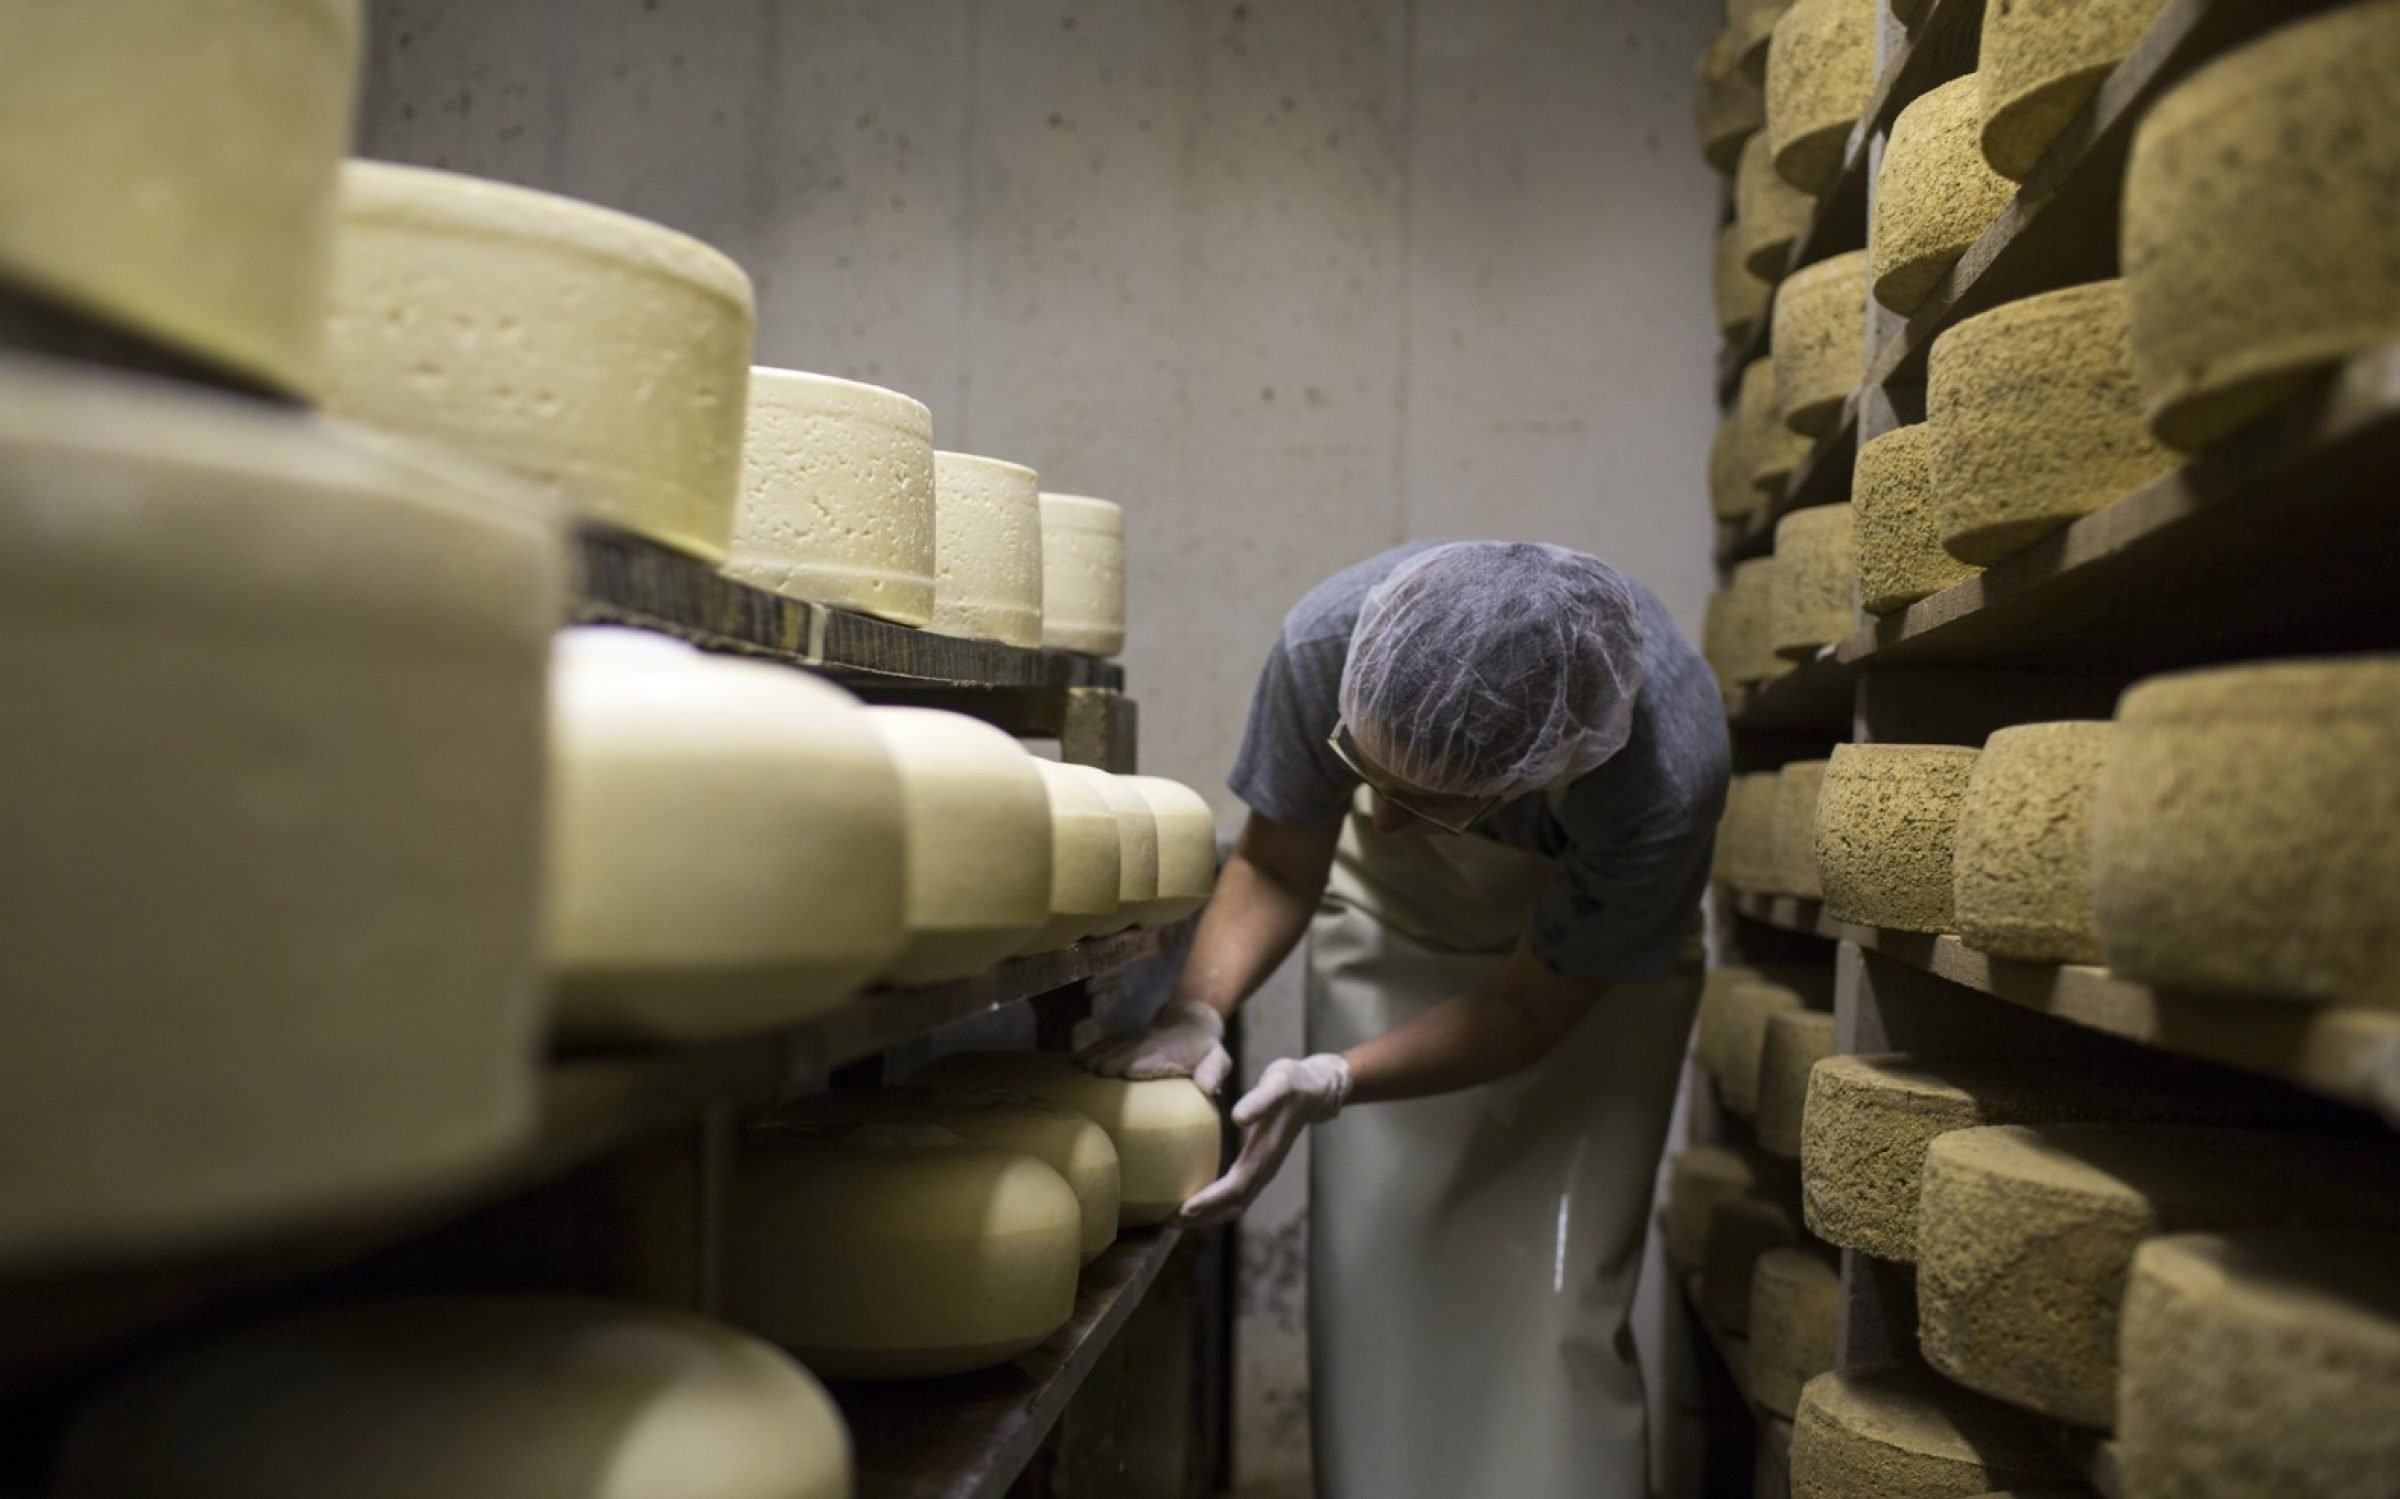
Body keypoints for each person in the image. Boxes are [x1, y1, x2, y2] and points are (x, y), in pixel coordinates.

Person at [1079, 540, 1730, 1499]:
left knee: (1550, 1313)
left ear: (1545, 774)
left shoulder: (1662, 775)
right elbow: (1280, 863)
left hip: (1585, 986)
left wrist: (1339, 1076)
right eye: (1366, 774)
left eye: (1428, 802)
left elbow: (1526, 1005)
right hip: (1396, 924)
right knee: (1378, 1291)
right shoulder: (1330, 640)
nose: (1377, 824)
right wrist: (1197, 1007)